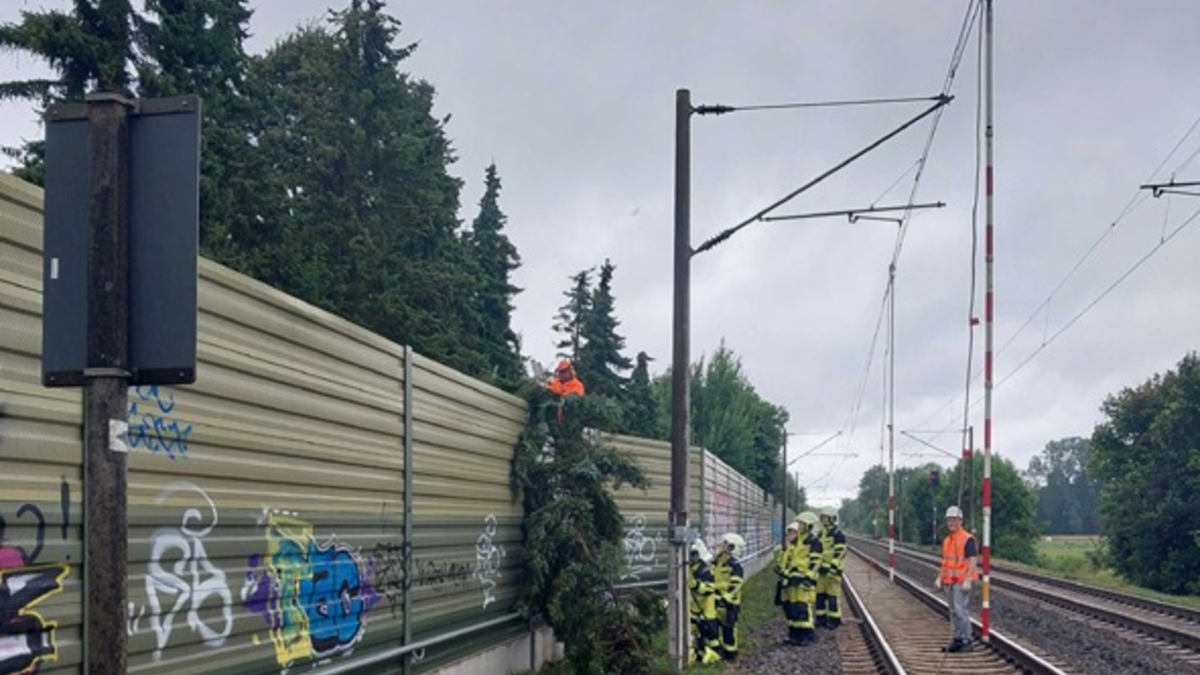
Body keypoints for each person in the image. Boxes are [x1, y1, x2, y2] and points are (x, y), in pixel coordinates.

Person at [933, 505, 979, 653]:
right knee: (953, 611)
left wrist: (968, 579)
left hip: (961, 582)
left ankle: (967, 640)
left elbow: (973, 560)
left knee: (961, 611)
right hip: (950, 582)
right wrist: (940, 577)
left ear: (960, 521)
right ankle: (958, 639)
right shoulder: (947, 540)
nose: (951, 523)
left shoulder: (967, 539)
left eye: (954, 520)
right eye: (949, 520)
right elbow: (946, 561)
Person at [783, 511, 823, 646]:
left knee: (803, 608)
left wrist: (809, 576)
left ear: (807, 525)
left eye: (801, 523)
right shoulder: (798, 541)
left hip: (804, 580)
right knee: (792, 607)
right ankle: (794, 634)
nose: (798, 526)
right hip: (793, 580)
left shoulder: (814, 542)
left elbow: (816, 562)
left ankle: (807, 635)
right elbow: (792, 560)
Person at [711, 533, 746, 661]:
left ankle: (731, 654)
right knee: (714, 627)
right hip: (716, 601)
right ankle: (720, 651)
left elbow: (736, 585)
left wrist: (726, 597)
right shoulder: (716, 562)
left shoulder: (735, 565)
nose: (720, 545)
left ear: (731, 547)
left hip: (729, 604)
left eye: (723, 544)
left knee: (729, 629)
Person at [687, 539, 722, 664]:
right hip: (694, 608)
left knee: (710, 635)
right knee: (696, 635)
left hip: (707, 609)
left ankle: (715, 655)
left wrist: (695, 585)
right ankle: (700, 654)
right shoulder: (689, 569)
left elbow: (708, 588)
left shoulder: (703, 570)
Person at [815, 505, 847, 629]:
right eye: (822, 517)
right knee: (820, 596)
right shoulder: (821, 533)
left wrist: (832, 567)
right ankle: (821, 619)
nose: (822, 519)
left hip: (833, 571)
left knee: (833, 596)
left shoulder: (838, 534)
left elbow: (840, 553)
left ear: (831, 518)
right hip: (821, 570)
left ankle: (834, 619)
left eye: (825, 517)